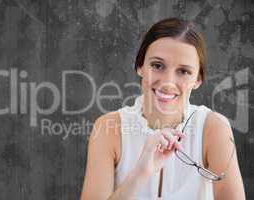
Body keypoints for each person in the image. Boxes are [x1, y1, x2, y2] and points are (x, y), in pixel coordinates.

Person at [80, 17, 245, 200]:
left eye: (183, 71)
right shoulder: (107, 129)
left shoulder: (214, 128)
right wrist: (140, 173)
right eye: (157, 65)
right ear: (140, 66)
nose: (167, 82)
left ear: (197, 80)